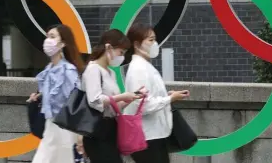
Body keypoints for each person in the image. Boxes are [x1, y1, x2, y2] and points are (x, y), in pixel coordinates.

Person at [124, 23, 190, 163]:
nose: (155, 44)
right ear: (136, 44)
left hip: (154, 135)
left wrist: (168, 97)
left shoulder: (145, 66)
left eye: (155, 39)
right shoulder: (138, 69)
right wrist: (169, 99)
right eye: (150, 40)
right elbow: (143, 105)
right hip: (147, 136)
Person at [81, 29, 147, 163]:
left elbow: (114, 106)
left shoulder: (111, 73)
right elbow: (95, 101)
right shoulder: (93, 69)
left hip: (111, 128)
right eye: (120, 52)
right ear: (108, 47)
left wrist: (131, 97)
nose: (121, 57)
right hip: (97, 130)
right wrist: (122, 96)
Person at [27, 24, 85, 163]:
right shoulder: (48, 70)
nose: (48, 40)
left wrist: (79, 135)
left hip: (64, 128)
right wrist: (38, 97)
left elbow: (76, 101)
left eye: (52, 37)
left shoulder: (68, 70)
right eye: (47, 37)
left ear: (63, 43)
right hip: (50, 126)